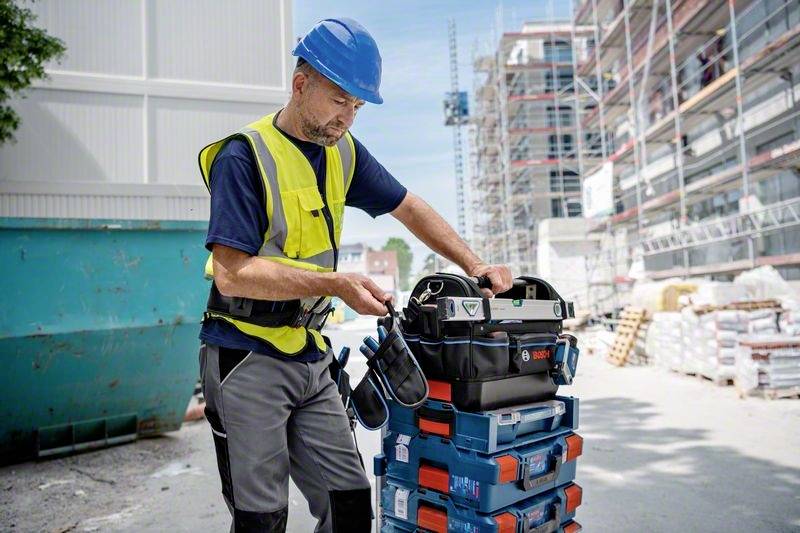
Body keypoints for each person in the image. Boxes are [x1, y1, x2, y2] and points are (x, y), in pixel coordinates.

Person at [197, 18, 513, 533]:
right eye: (340, 100)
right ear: (301, 85)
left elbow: (409, 207)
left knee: (349, 503)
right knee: (262, 517)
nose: (347, 117)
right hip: (245, 354)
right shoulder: (243, 156)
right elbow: (232, 274)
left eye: (358, 107)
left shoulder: (342, 152)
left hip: (309, 354)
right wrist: (335, 284)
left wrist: (473, 264)